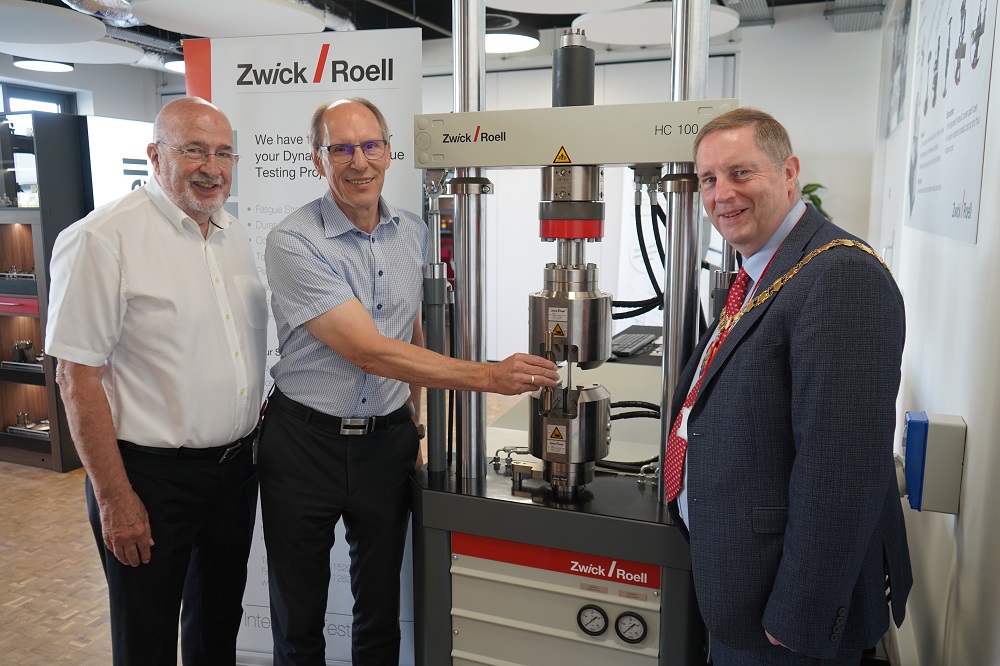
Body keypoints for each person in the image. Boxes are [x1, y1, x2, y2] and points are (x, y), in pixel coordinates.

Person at [260, 97, 559, 665]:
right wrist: (490, 376)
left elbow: (418, 336)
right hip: (304, 445)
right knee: (298, 611)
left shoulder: (414, 234)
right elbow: (370, 352)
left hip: (385, 444)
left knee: (380, 606)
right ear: (316, 158)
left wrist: (419, 418)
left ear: (389, 151)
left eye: (370, 145)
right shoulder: (294, 241)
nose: (358, 162)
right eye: (341, 149)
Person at [664, 107, 912, 665]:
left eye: (740, 172)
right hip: (743, 587)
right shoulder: (762, 270)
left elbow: (841, 471)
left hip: (784, 622)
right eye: (708, 179)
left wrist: (797, 618)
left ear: (789, 171)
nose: (722, 193)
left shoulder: (838, 275)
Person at [46, 97, 267, 666]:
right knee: (145, 638)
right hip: (146, 479)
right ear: (154, 154)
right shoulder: (102, 238)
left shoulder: (233, 235)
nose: (211, 167)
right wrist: (114, 497)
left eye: (223, 152)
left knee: (218, 626)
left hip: (233, 473)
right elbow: (76, 376)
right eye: (192, 149)